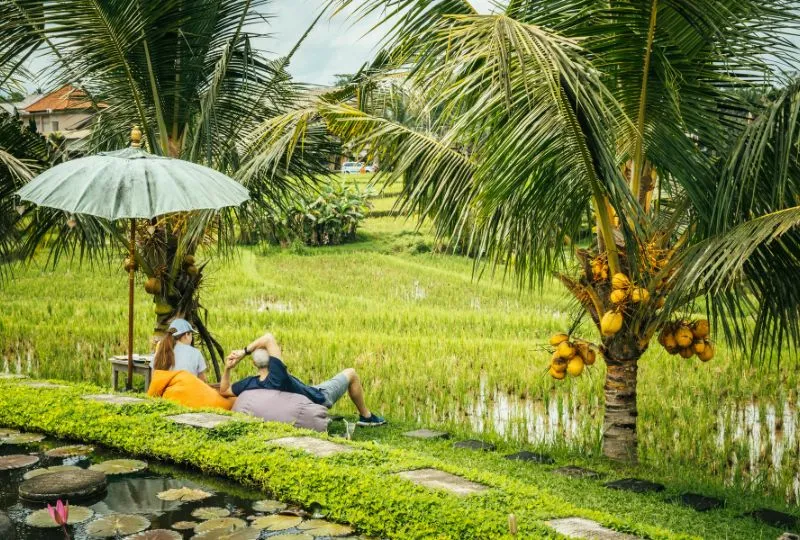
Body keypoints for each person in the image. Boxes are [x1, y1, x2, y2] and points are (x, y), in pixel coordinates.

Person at [219, 332, 386, 426]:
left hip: (305, 392)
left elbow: (224, 390)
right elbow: (268, 338)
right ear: (272, 360)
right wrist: (243, 352)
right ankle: (366, 417)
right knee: (351, 373)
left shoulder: (251, 383)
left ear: (254, 363)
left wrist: (227, 368)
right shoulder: (278, 375)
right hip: (318, 397)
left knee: (309, 385)